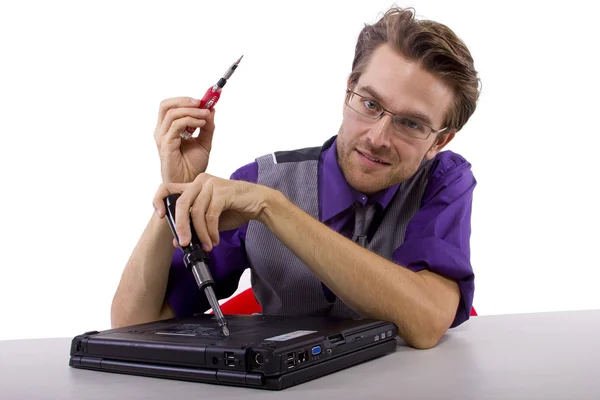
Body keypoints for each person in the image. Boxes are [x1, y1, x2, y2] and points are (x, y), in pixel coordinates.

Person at [111, 6, 481, 350]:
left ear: (440, 141)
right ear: (348, 90)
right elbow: (132, 325)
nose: (377, 138)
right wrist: (178, 195)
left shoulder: (444, 181)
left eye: (411, 123)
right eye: (370, 104)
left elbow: (427, 322)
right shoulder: (260, 179)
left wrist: (273, 208)